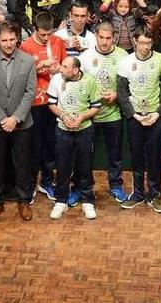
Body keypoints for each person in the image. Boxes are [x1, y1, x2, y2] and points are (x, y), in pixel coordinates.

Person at [0, 22, 37, 222]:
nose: (9, 44)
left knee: (22, 164)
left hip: (22, 123)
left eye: (12, 39)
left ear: (17, 38)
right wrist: (2, 119)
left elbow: (30, 93)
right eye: (4, 40)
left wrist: (15, 118)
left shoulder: (28, 61)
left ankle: (23, 200)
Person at [117, 26, 161, 212]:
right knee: (136, 157)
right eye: (141, 43)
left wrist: (157, 113)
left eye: (148, 43)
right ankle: (138, 194)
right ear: (134, 41)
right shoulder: (125, 62)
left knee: (154, 158)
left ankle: (155, 195)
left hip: (155, 117)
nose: (145, 47)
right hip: (134, 118)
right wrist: (134, 115)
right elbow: (122, 93)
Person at [78, 22, 129, 202]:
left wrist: (117, 95)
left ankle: (115, 185)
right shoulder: (85, 57)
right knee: (85, 155)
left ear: (114, 37)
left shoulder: (123, 56)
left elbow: (129, 85)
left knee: (114, 155)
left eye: (108, 38)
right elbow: (78, 83)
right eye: (101, 37)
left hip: (113, 115)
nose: (105, 42)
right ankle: (82, 188)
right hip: (90, 116)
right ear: (96, 36)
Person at [20, 12, 67, 202]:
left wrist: (59, 69)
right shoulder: (26, 46)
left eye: (49, 34)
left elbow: (65, 65)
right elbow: (21, 73)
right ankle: (31, 183)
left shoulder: (58, 42)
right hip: (34, 102)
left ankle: (47, 181)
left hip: (54, 101)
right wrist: (39, 65)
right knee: (34, 146)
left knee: (50, 144)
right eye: (43, 34)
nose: (47, 38)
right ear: (35, 30)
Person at [46, 56, 101, 220]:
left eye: (64, 67)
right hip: (63, 130)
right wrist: (63, 116)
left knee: (85, 166)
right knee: (62, 166)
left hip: (85, 130)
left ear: (75, 70)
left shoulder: (90, 80)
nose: (60, 69)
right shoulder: (56, 79)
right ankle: (60, 201)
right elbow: (51, 103)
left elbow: (96, 106)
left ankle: (87, 201)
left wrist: (81, 118)